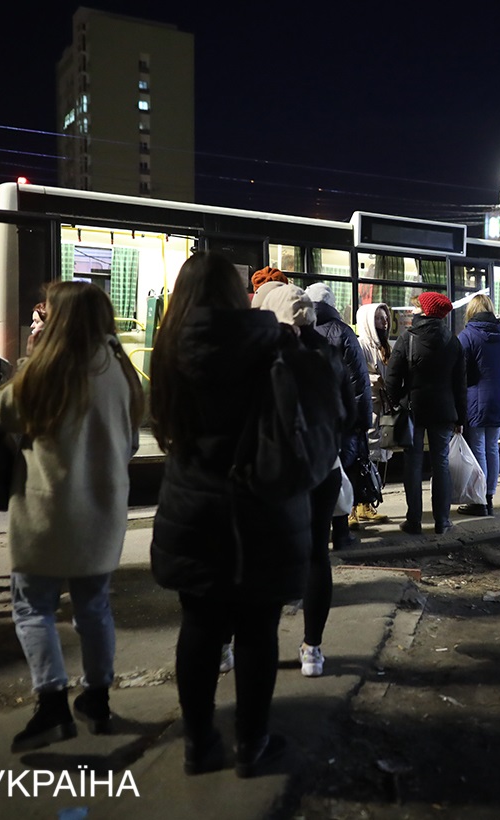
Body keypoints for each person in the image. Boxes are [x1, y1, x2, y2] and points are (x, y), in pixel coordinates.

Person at [150, 253, 312, 777]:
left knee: (199, 624)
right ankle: (252, 743)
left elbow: (164, 424)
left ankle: (199, 745)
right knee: (258, 627)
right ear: (234, 293)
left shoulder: (170, 347)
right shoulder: (271, 340)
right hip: (262, 505)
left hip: (193, 504)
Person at [0, 282, 144, 752]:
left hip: (47, 511)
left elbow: (0, 413)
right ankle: (96, 699)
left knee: (32, 606)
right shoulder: (120, 369)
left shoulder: (49, 369)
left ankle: (52, 703)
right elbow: (132, 441)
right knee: (93, 606)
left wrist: (29, 362)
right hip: (102, 512)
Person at [258, 283, 352, 679]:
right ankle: (312, 650)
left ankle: (253, 647)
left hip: (280, 474)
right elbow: (346, 414)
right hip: (324, 468)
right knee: (317, 555)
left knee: (266, 559)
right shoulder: (329, 353)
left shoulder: (271, 355)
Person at [385, 292, 467, 534]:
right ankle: (442, 521)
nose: (413, 311)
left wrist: (400, 402)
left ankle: (414, 521)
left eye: (416, 307)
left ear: (424, 311)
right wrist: (460, 418)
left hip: (413, 410)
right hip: (444, 413)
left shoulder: (406, 340)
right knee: (441, 463)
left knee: (413, 464)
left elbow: (391, 381)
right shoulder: (454, 342)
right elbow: (460, 386)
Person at [306, 282, 373, 544]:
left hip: (313, 420)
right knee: (340, 475)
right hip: (342, 418)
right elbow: (359, 381)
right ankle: (342, 533)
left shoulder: (301, 330)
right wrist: (363, 421)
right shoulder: (344, 333)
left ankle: (317, 534)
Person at [457, 294, 500, 514]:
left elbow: (460, 372)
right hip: (499, 398)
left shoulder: (467, 336)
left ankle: (479, 501)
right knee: (492, 448)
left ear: (471, 311)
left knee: (478, 448)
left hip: (476, 399)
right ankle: (490, 497)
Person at [356, 302, 394, 524]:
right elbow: (356, 374)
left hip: (382, 410)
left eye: (385, 318)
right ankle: (355, 505)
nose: (384, 322)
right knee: (363, 456)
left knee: (377, 456)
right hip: (368, 408)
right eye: (379, 318)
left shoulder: (384, 346)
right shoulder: (360, 344)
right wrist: (375, 380)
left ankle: (367, 503)